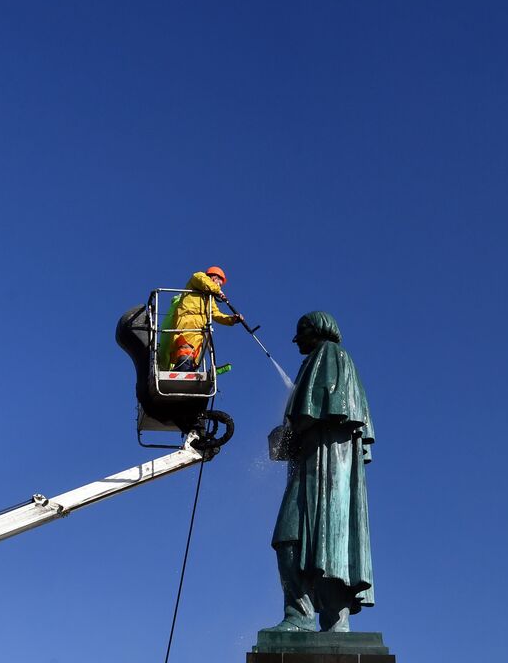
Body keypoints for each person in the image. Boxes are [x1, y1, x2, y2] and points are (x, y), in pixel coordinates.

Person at [267, 311, 375, 633]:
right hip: (315, 462)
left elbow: (317, 408)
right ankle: (307, 616)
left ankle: (324, 620)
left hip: (327, 465)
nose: (297, 340)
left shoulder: (329, 355)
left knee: (315, 541)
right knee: (297, 540)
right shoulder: (315, 361)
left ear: (318, 329)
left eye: (301, 331)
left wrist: (287, 432)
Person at [159, 266, 242, 372]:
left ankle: (185, 370)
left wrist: (232, 319)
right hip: (186, 322)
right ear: (214, 277)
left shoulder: (209, 299)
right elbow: (205, 283)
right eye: (219, 283)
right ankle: (181, 371)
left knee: (192, 355)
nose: (219, 286)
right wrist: (218, 291)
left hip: (199, 330)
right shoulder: (198, 276)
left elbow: (215, 314)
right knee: (185, 349)